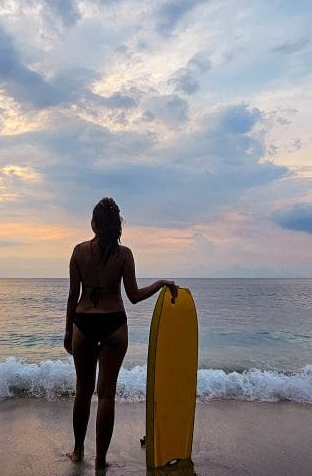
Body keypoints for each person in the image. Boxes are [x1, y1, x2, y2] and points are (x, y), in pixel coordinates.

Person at [64, 197, 178, 471]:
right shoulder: (124, 255)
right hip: (114, 324)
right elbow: (135, 296)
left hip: (84, 322)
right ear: (117, 226)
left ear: (93, 224)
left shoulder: (78, 252)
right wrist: (161, 282)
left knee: (83, 391)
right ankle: (101, 461)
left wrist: (68, 330)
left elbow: (72, 296)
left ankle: (79, 452)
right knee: (106, 395)